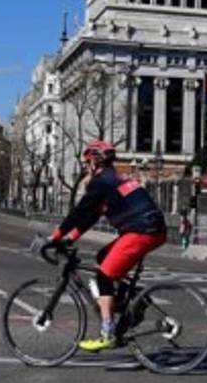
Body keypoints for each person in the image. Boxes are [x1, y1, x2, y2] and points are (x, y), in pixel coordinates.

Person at [39, 140, 167, 352]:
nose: (86, 167)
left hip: (141, 230)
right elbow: (91, 216)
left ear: (94, 161)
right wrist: (69, 238)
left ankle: (107, 333)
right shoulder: (113, 180)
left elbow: (79, 212)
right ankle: (133, 299)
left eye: (87, 162)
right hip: (148, 228)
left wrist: (54, 236)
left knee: (104, 276)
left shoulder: (101, 183)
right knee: (102, 258)